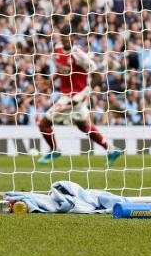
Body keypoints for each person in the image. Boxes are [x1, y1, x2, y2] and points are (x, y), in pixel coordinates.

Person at [36, 23, 122, 165]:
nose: (65, 40)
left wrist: (83, 95)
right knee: (84, 127)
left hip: (74, 98)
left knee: (44, 124)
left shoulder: (79, 55)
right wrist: (50, 82)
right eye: (63, 37)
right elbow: (61, 69)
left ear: (74, 37)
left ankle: (55, 149)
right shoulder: (57, 49)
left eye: (68, 37)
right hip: (67, 96)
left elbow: (97, 75)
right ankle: (112, 150)